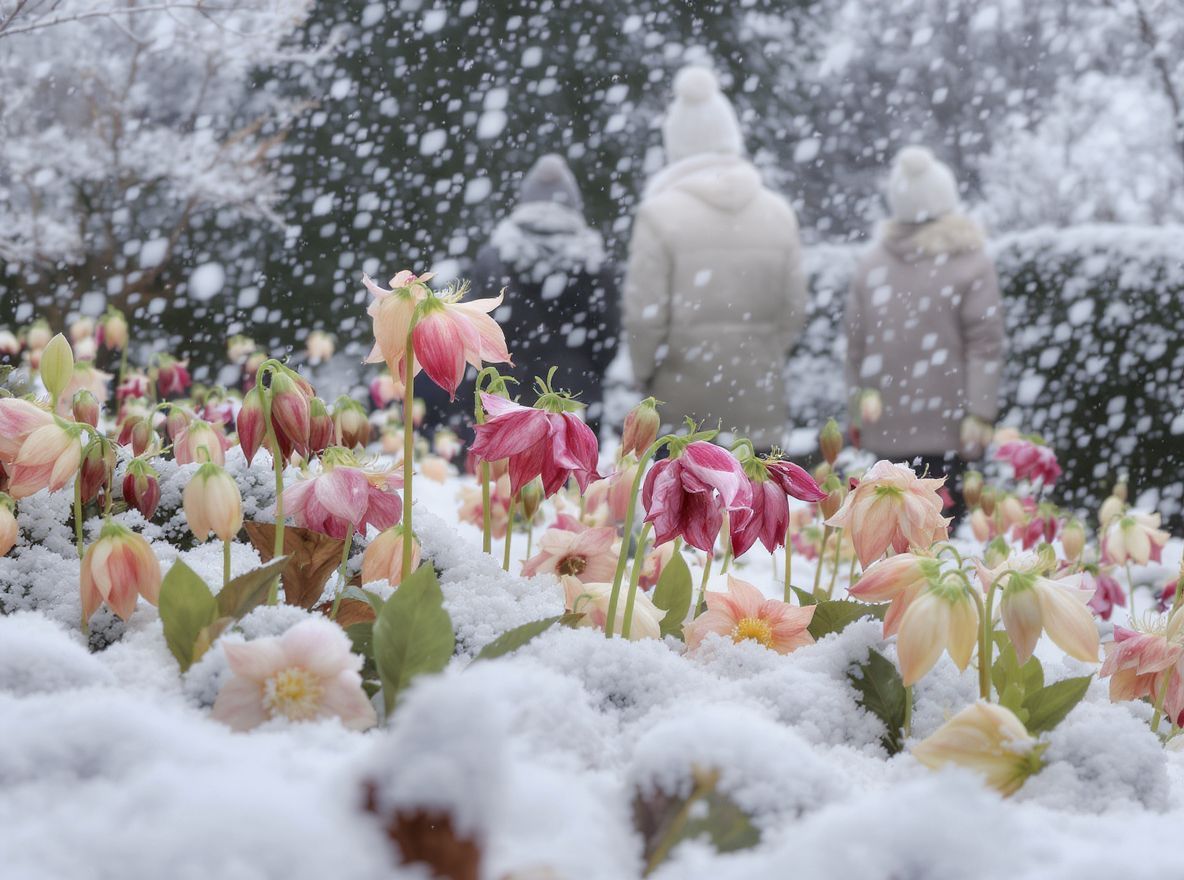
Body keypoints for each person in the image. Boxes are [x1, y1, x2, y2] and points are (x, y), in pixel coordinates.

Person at [622, 66, 807, 453]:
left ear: (675, 144)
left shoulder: (659, 215)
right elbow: (793, 311)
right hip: (759, 400)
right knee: (754, 492)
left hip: (681, 408)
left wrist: (645, 374)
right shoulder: (778, 212)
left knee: (685, 492)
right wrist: (763, 356)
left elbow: (644, 317)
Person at [844, 146, 1005, 521]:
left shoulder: (872, 263)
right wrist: (980, 412)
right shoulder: (970, 260)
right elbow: (985, 344)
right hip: (952, 428)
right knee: (942, 533)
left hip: (884, 429)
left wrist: (856, 412)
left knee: (890, 532)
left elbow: (855, 348)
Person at [469, 154, 619, 436]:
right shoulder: (595, 262)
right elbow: (608, 339)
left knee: (506, 465)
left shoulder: (494, 258)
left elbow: (477, 334)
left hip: (508, 395)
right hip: (576, 399)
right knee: (574, 465)